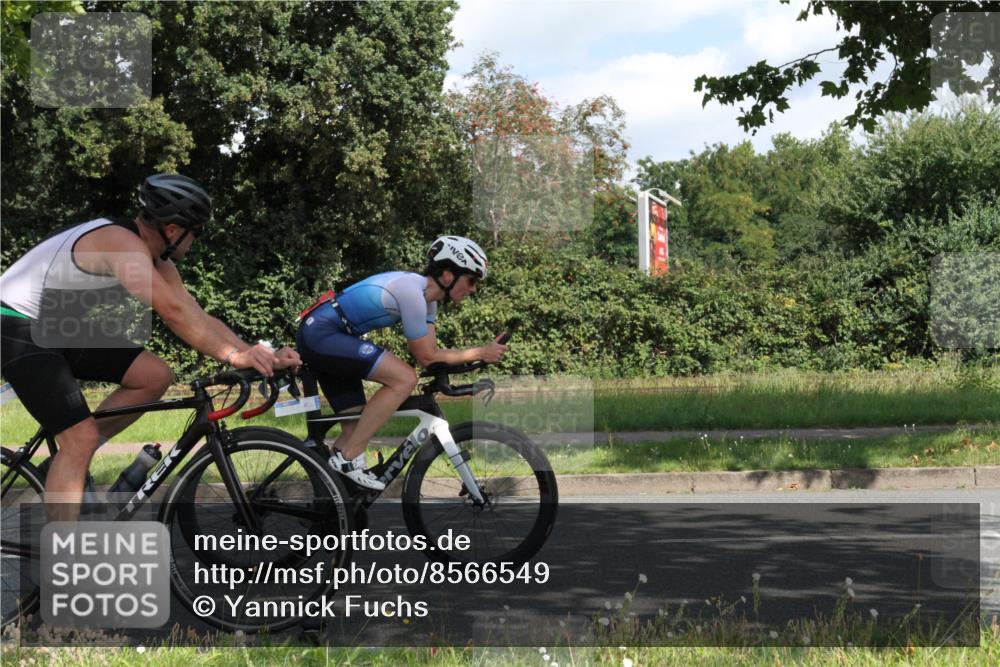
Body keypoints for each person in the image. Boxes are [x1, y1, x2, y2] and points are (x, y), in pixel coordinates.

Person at [0, 173, 299, 520]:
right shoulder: (122, 245)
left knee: (154, 374)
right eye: (196, 231)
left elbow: (194, 313)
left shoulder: (157, 258)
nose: (196, 240)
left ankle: (66, 463)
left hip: (55, 327)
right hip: (14, 325)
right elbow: (172, 313)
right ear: (173, 230)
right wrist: (233, 356)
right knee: (78, 440)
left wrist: (258, 355)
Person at [296, 235, 507, 490]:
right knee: (404, 378)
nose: (473, 288)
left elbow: (432, 354)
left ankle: (334, 504)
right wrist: (480, 352)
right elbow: (425, 357)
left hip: (333, 336)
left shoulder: (428, 302)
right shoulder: (412, 292)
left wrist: (471, 361)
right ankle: (349, 459)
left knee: (354, 430)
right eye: (471, 279)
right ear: (449, 275)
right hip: (323, 334)